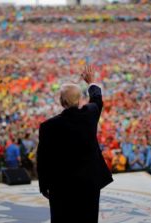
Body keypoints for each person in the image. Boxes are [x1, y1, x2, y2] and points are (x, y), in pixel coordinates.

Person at [37, 65, 113, 223]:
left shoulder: (48, 126)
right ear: (79, 100)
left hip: (61, 187)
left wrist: (44, 186)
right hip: (88, 184)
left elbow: (43, 160)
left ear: (60, 101)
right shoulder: (90, 114)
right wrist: (91, 82)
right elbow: (97, 100)